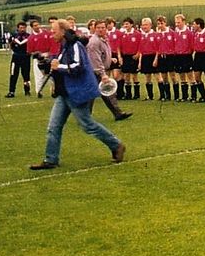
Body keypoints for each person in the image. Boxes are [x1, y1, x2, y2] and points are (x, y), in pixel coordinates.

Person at [29, 19, 126, 170]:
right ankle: (51, 159)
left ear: (63, 32)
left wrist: (58, 66)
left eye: (54, 31)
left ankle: (116, 145)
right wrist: (48, 61)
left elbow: (78, 66)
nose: (52, 34)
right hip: (65, 92)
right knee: (53, 126)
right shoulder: (65, 45)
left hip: (77, 92)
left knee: (87, 125)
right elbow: (60, 63)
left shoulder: (75, 45)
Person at [86, 19, 132, 121]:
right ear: (95, 29)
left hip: (98, 71)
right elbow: (95, 59)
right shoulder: (94, 41)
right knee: (93, 94)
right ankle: (85, 117)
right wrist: (102, 74)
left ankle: (118, 113)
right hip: (95, 72)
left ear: (106, 29)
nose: (101, 30)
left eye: (103, 28)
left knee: (107, 93)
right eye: (98, 28)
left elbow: (101, 54)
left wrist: (109, 58)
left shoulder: (103, 39)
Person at [5, 21, 31, 98]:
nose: (22, 29)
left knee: (26, 75)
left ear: (26, 28)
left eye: (24, 27)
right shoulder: (14, 36)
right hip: (16, 57)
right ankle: (11, 91)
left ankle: (27, 90)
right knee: (13, 74)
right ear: (18, 28)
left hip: (26, 57)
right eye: (21, 28)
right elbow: (11, 45)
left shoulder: (29, 36)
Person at [172, 14, 194, 102]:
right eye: (176, 22)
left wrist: (187, 53)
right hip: (178, 56)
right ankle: (185, 96)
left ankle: (193, 96)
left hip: (186, 56)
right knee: (182, 77)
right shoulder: (175, 32)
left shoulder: (189, 33)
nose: (177, 24)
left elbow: (192, 46)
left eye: (179, 22)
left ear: (183, 22)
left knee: (190, 76)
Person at [138, 17, 160, 101]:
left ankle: (163, 95)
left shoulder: (155, 35)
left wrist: (156, 59)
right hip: (145, 57)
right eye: (143, 25)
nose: (144, 27)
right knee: (147, 77)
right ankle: (150, 96)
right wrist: (140, 62)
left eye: (146, 25)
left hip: (153, 56)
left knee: (158, 76)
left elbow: (158, 49)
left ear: (150, 25)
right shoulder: (142, 36)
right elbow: (141, 50)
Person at [190, 17, 205, 103]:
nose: (193, 26)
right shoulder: (195, 34)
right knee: (197, 77)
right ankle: (204, 96)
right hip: (197, 56)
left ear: (199, 25)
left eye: (194, 24)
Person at [119, 17, 142, 100]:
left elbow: (141, 45)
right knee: (126, 76)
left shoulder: (137, 34)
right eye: (124, 24)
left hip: (133, 56)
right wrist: (120, 57)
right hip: (125, 56)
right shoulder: (122, 35)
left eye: (127, 24)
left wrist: (138, 53)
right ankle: (128, 94)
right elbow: (119, 47)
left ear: (131, 24)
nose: (126, 25)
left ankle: (137, 94)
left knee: (134, 75)